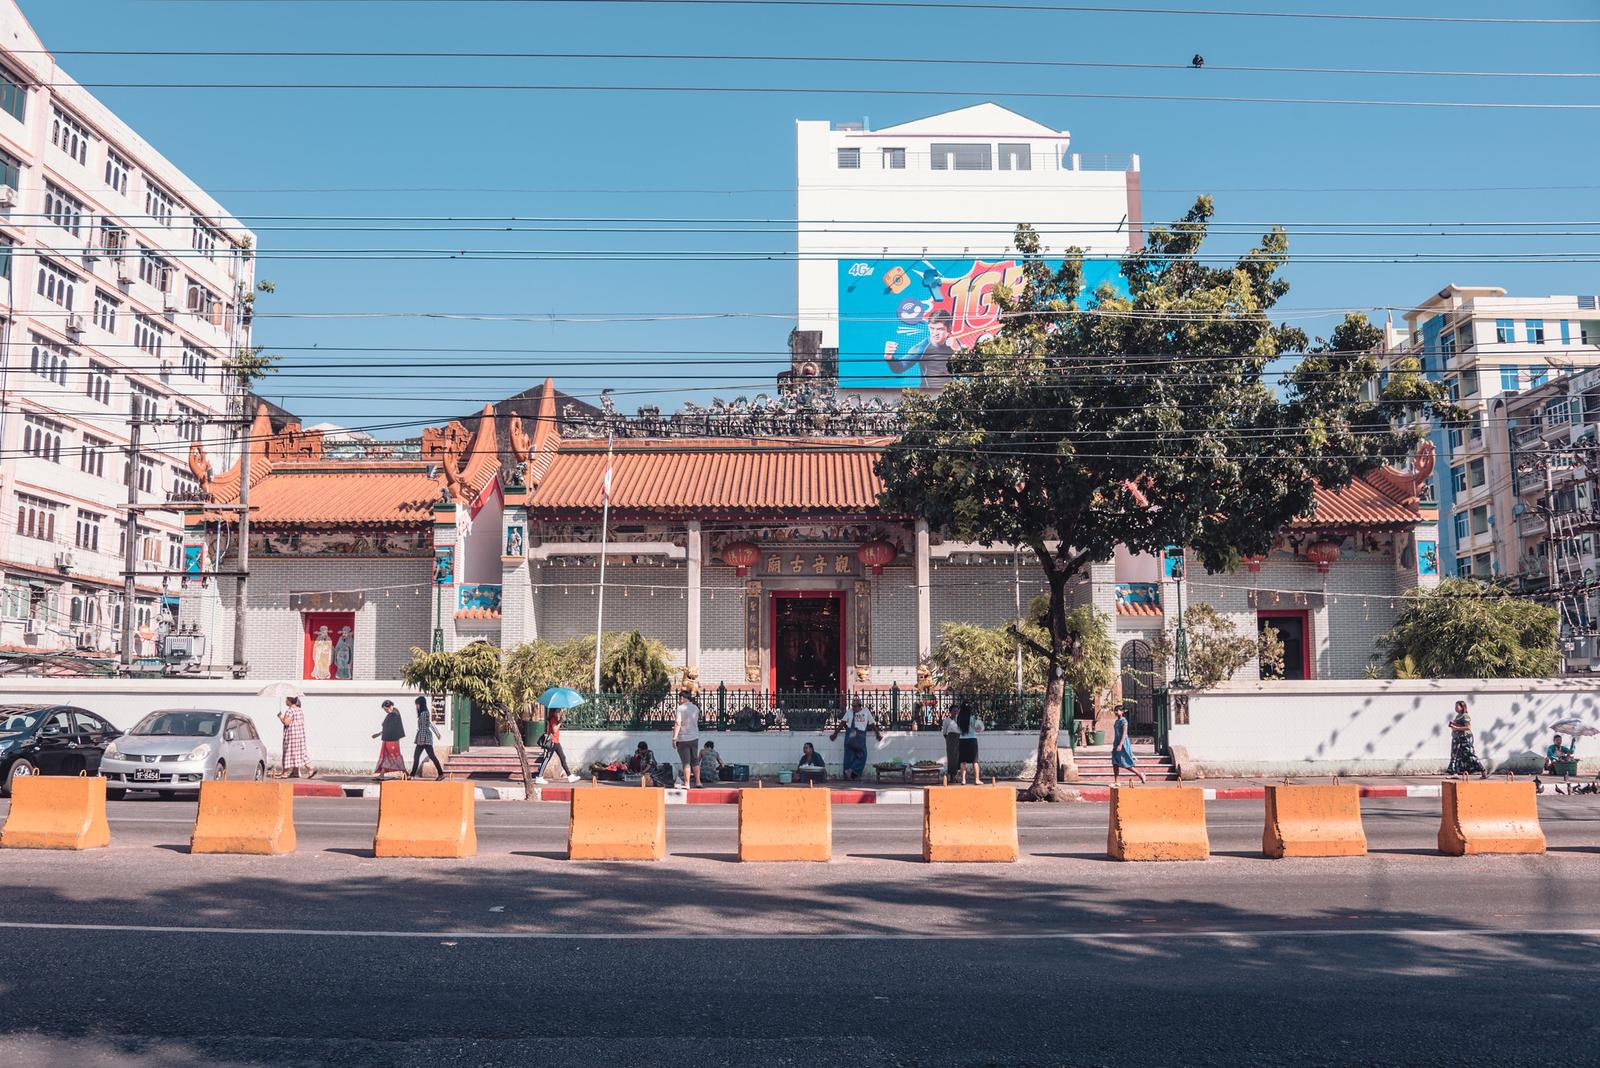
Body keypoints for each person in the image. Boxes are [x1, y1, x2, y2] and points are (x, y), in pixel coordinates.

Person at [831, 696, 882, 781]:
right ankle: (848, 776)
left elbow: (872, 723)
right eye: (852, 706)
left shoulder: (866, 711)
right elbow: (842, 723)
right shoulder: (849, 712)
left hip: (860, 737)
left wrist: (877, 734)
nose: (853, 708)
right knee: (848, 757)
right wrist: (835, 733)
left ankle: (851, 772)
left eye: (855, 706)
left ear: (859, 706)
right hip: (850, 736)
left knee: (862, 756)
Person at [535, 707, 579, 784]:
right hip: (552, 742)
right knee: (547, 759)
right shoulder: (552, 719)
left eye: (559, 712)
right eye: (557, 712)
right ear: (553, 712)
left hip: (556, 742)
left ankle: (570, 776)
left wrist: (560, 720)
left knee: (563, 757)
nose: (559, 713)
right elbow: (554, 729)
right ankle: (539, 777)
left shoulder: (555, 719)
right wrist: (560, 722)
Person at [1446, 700, 1488, 779]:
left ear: (1462, 707)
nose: (1455, 708)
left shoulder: (1465, 715)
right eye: (1455, 706)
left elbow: (1468, 727)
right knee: (1455, 755)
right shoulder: (1458, 716)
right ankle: (1455, 773)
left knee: (1469, 754)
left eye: (1457, 706)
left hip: (1465, 738)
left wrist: (1456, 727)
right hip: (1457, 738)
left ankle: (1483, 770)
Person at [276, 695, 315, 779]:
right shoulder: (299, 710)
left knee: (289, 752)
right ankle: (296, 772)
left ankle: (285, 772)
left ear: (290, 701)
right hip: (300, 734)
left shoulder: (290, 711)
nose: (285, 701)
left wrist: (280, 717)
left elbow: (286, 722)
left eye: (286, 699)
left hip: (291, 734)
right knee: (299, 752)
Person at [673, 689, 703, 788]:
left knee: (686, 762)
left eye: (679, 698)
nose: (678, 700)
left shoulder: (680, 708)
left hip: (683, 738)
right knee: (695, 761)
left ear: (682, 698)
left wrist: (674, 738)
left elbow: (678, 723)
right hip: (694, 737)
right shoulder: (696, 708)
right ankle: (698, 782)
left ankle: (687, 783)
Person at [373, 700, 409, 780]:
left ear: (390, 706)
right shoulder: (393, 713)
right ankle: (382, 774)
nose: (386, 711)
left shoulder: (394, 714)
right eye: (384, 710)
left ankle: (405, 773)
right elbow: (387, 727)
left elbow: (391, 728)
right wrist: (379, 734)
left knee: (395, 756)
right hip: (387, 738)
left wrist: (380, 733)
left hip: (392, 740)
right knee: (386, 756)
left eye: (386, 709)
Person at [1111, 706, 1147, 786]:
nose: (1116, 712)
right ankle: (1116, 781)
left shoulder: (1124, 721)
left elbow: (1124, 734)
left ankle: (1140, 774)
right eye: (1115, 710)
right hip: (1116, 743)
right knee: (1115, 762)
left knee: (1124, 762)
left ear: (1122, 711)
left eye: (1118, 710)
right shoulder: (1117, 721)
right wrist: (1115, 744)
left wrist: (1120, 744)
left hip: (1123, 744)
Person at [410, 695, 443, 779]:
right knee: (423, 756)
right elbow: (430, 724)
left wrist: (421, 740)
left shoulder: (424, 713)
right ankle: (412, 775)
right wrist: (437, 733)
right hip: (423, 739)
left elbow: (427, 726)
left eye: (417, 704)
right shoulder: (423, 713)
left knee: (428, 756)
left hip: (424, 739)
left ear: (420, 704)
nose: (416, 706)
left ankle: (412, 775)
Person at [956, 704, 986, 785]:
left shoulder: (959, 719)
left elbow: (957, 729)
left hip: (962, 740)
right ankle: (977, 780)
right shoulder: (973, 718)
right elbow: (978, 728)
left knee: (962, 761)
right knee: (975, 761)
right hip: (972, 740)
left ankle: (963, 780)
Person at [940, 706, 961, 783]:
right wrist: (948, 739)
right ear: (950, 712)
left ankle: (956, 774)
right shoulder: (947, 720)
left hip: (959, 738)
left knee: (958, 757)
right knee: (951, 756)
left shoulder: (959, 720)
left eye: (957, 710)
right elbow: (944, 732)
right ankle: (952, 775)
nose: (956, 712)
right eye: (954, 710)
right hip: (950, 739)